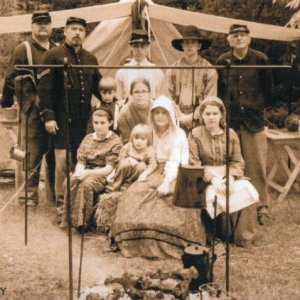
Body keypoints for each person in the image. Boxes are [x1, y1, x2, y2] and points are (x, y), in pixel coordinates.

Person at [110, 95, 205, 259]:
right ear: (152, 115)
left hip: (177, 172)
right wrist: (145, 172)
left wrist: (167, 182)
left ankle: (173, 243)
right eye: (157, 112)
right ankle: (133, 241)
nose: (160, 116)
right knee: (134, 194)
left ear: (170, 115)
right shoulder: (149, 132)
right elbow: (144, 152)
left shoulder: (179, 134)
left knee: (170, 198)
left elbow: (175, 161)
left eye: (164, 112)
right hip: (154, 168)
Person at [38, 16, 102, 206]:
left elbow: (99, 87)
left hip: (83, 121)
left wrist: (113, 103)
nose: (77, 33)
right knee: (62, 162)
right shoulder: (52, 55)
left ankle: (76, 203)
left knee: (80, 161)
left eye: (81, 30)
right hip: (60, 119)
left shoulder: (90, 58)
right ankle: (61, 205)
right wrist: (48, 116)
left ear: (85, 34)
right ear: (65, 31)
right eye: (73, 29)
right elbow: (44, 89)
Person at [216, 24, 273, 225]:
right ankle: (236, 207)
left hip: (254, 121)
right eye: (235, 35)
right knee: (231, 164)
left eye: (242, 35)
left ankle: (262, 206)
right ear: (229, 40)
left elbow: (268, 91)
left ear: (249, 39)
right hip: (231, 123)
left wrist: (257, 110)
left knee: (256, 164)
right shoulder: (223, 61)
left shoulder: (260, 59)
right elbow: (219, 93)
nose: (239, 38)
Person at [1, 10, 56, 206]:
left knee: (54, 156)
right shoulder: (23, 49)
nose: (43, 26)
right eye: (39, 23)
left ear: (51, 26)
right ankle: (28, 199)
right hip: (31, 113)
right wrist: (15, 101)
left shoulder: (56, 50)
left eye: (46, 23)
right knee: (29, 155)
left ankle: (54, 199)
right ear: (32, 26)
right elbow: (9, 79)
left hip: (53, 112)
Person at [188, 96, 259, 247]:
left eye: (215, 113)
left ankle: (242, 236)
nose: (211, 117)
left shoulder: (230, 134)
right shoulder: (195, 134)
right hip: (205, 176)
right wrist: (212, 179)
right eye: (207, 114)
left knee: (246, 189)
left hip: (228, 174)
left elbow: (237, 161)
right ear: (202, 115)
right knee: (211, 195)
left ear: (221, 115)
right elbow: (194, 163)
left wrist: (231, 178)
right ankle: (213, 235)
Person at [60, 108, 122, 232]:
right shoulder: (88, 138)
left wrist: (87, 173)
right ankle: (67, 220)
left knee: (86, 185)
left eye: (102, 123)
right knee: (70, 180)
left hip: (103, 174)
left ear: (110, 123)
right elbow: (81, 161)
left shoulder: (115, 141)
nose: (98, 126)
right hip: (86, 170)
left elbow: (109, 168)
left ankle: (82, 223)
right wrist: (79, 172)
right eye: (96, 123)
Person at [166, 25, 218, 131]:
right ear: (182, 45)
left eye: (193, 42)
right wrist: (179, 116)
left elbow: (210, 99)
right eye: (186, 42)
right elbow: (168, 96)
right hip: (177, 119)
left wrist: (193, 116)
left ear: (199, 45)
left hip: (201, 119)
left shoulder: (209, 70)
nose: (189, 46)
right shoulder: (172, 69)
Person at [115, 29, 164, 102]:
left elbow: (160, 98)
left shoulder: (156, 71)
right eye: (136, 46)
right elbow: (119, 98)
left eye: (143, 46)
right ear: (131, 47)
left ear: (148, 47)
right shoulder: (122, 71)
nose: (139, 50)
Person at [106, 124, 157, 192]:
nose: (139, 141)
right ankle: (114, 186)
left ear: (148, 140)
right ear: (132, 138)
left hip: (136, 173)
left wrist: (145, 173)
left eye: (142, 139)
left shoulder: (149, 150)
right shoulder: (128, 146)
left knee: (142, 166)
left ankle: (127, 185)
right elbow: (120, 160)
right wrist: (129, 159)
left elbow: (152, 165)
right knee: (125, 163)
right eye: (136, 138)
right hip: (124, 171)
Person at [117, 77, 153, 143]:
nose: (140, 95)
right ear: (131, 94)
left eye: (144, 91)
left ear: (149, 93)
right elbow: (127, 139)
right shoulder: (124, 112)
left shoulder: (156, 108)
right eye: (136, 92)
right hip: (133, 145)